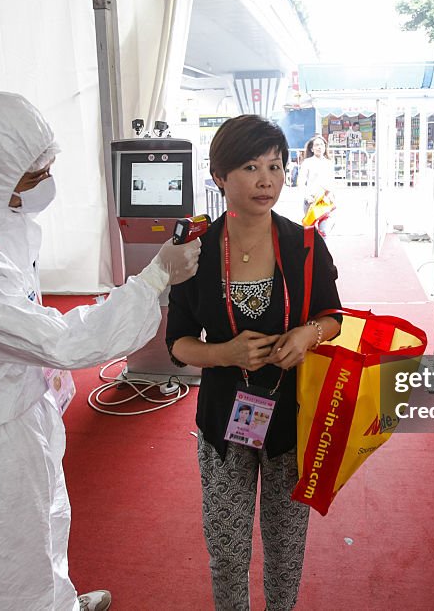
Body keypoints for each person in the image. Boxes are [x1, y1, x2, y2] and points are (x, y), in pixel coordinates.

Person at [0, 92, 200, 611]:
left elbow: (25, 316)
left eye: (45, 169)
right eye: (33, 177)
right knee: (4, 555)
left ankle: (59, 604)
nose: (45, 184)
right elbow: (60, 340)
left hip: (13, 399)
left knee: (44, 518)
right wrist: (154, 277)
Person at [166, 114, 342, 611]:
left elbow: (333, 315)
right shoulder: (194, 250)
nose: (267, 180)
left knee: (286, 551)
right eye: (249, 167)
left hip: (291, 418)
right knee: (226, 552)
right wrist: (226, 353)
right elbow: (177, 342)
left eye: (276, 165)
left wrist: (308, 333)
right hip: (224, 420)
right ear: (219, 175)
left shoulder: (305, 244)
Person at [299, 135, 337, 236]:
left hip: (324, 201)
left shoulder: (329, 163)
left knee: (324, 231)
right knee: (308, 232)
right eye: (316, 145)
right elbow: (301, 182)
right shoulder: (307, 163)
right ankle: (310, 251)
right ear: (312, 148)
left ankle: (322, 251)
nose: (319, 147)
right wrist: (307, 197)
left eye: (321, 144)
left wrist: (331, 195)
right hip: (311, 200)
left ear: (325, 147)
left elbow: (332, 182)